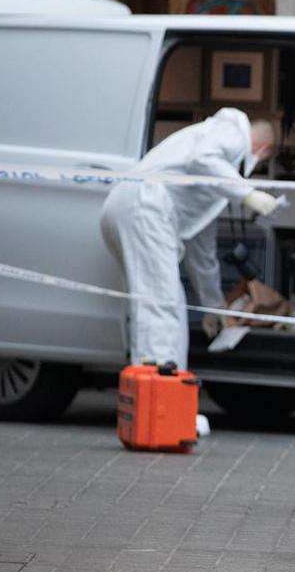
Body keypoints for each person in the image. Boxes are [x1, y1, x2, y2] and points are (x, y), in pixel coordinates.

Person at [100, 108, 280, 375]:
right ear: (263, 149)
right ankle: (162, 396)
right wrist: (247, 193)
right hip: (146, 206)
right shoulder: (232, 133)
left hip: (126, 207)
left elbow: (202, 251)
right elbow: (203, 158)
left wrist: (213, 306)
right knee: (162, 308)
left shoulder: (215, 167)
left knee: (154, 304)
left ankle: (153, 387)